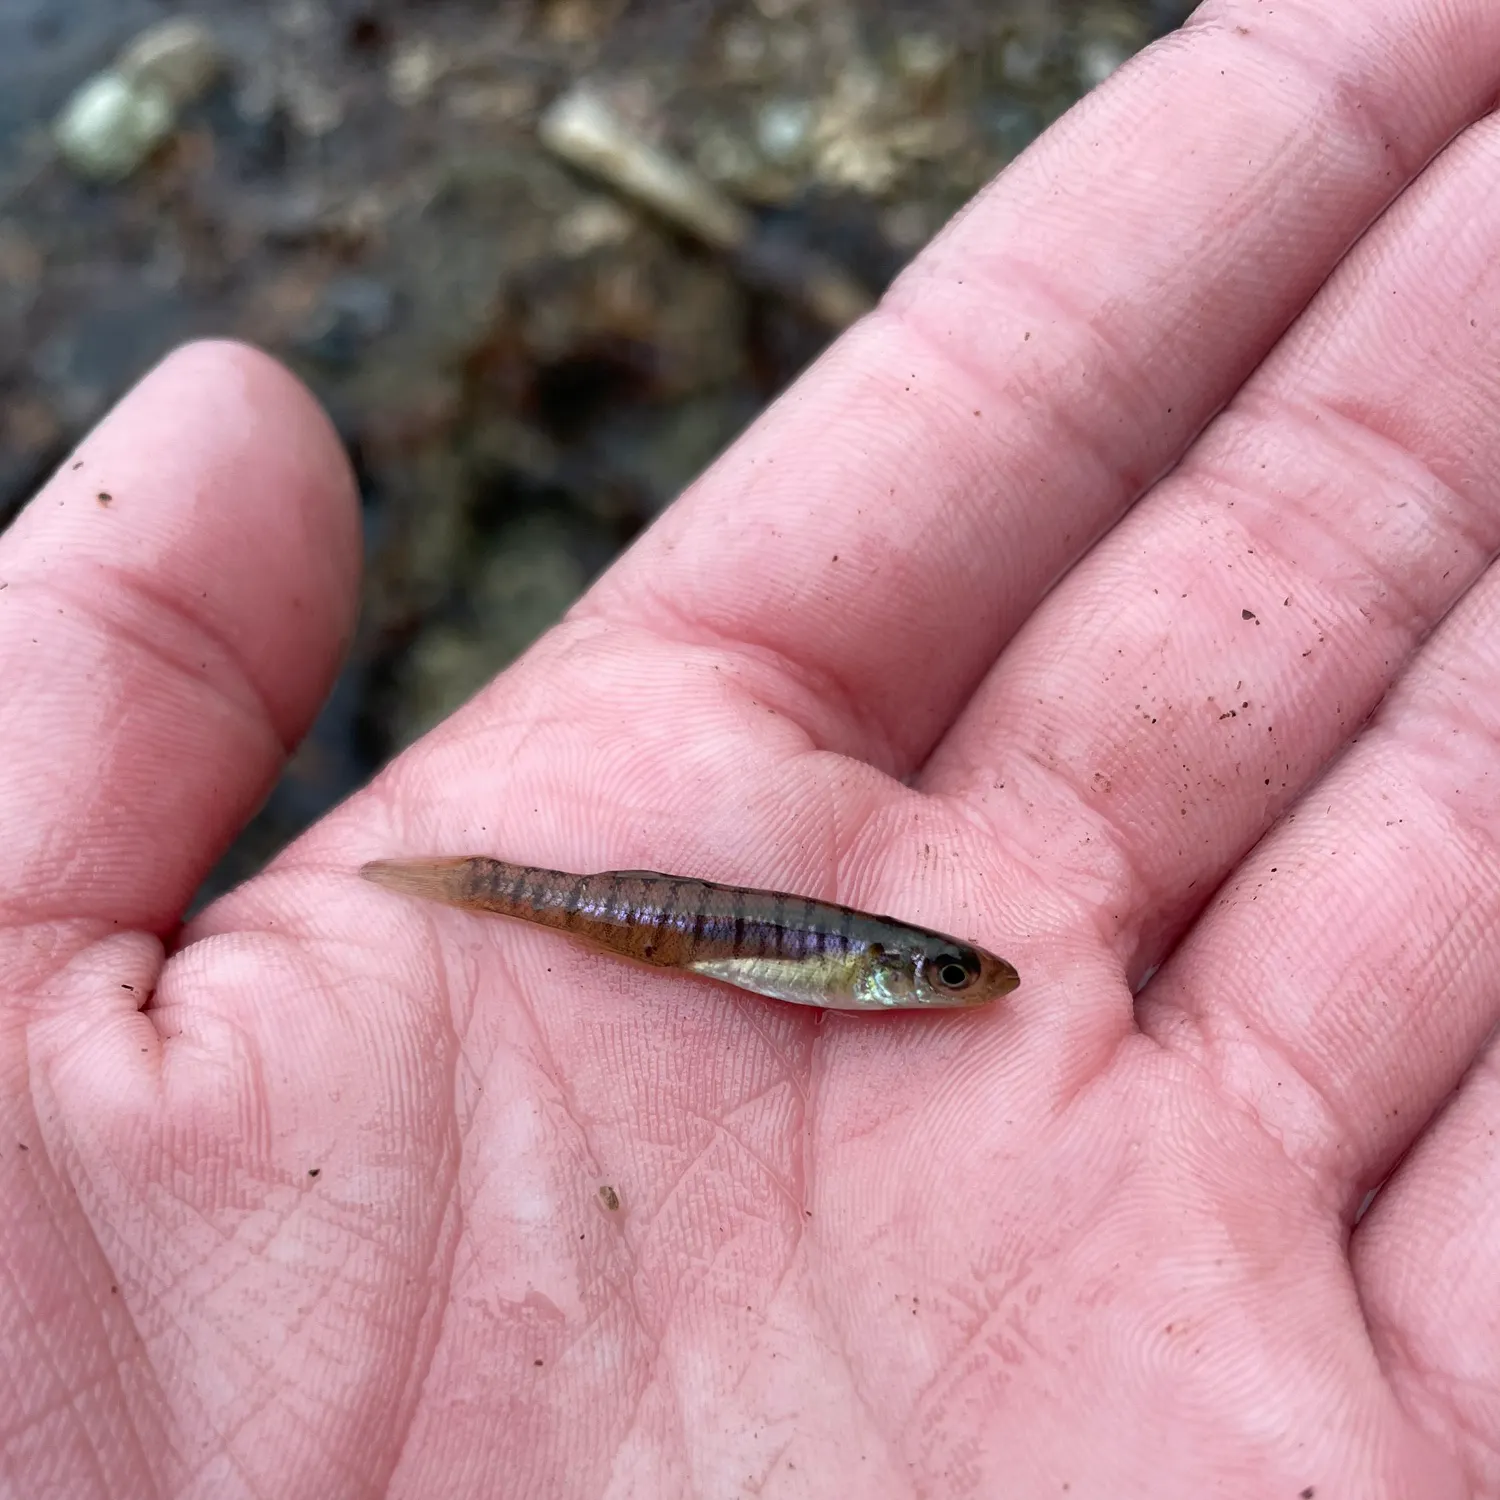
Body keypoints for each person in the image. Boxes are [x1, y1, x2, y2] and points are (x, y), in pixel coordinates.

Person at [3, 5, 1498, 1496]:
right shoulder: (858, 971)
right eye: (947, 970)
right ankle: (460, 885)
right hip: (637, 920)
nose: (958, 988)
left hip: (669, 927)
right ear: (899, 969)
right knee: (564, 901)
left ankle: (464, 884)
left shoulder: (882, 977)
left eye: (950, 973)